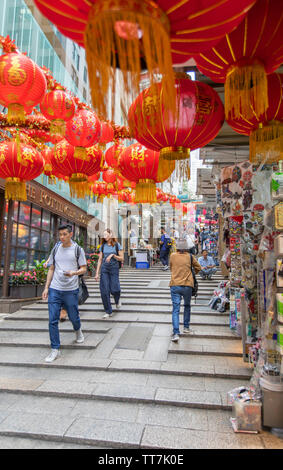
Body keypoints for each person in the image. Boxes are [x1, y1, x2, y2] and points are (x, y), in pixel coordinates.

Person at [42, 224, 87, 363]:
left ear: (70, 234)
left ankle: (78, 330)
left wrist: (74, 272)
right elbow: (51, 268)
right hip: (55, 288)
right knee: (52, 320)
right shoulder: (56, 248)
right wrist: (46, 287)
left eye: (64, 234)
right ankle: (55, 349)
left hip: (71, 290)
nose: (62, 237)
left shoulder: (78, 250)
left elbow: (84, 268)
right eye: (60, 234)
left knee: (74, 317)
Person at [169, 238, 202, 342]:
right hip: (188, 285)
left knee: (176, 309)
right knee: (187, 306)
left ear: (177, 247)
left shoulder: (172, 256)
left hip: (175, 285)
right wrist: (191, 275)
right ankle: (186, 327)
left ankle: (176, 333)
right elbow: (199, 268)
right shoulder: (190, 257)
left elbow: (171, 267)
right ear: (187, 248)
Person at [95, 229, 124, 319]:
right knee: (104, 290)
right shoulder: (102, 246)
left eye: (106, 234)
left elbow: (122, 258)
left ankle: (117, 299)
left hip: (114, 268)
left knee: (115, 288)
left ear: (111, 235)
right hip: (105, 269)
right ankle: (108, 311)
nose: (105, 236)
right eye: (104, 235)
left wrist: (113, 255)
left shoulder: (117, 245)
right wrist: (97, 273)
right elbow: (100, 260)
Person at [44, 248, 67, 322]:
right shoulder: (56, 247)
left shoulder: (73, 246)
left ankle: (64, 310)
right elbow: (52, 256)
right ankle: (60, 310)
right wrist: (47, 261)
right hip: (57, 275)